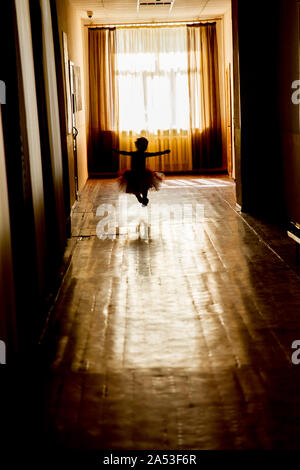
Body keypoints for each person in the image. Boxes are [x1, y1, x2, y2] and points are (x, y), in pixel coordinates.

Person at [113, 137, 170, 206]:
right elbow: (124, 153)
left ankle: (144, 197)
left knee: (145, 187)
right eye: (143, 146)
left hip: (143, 173)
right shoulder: (134, 153)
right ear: (138, 146)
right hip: (133, 174)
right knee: (134, 187)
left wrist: (164, 152)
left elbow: (155, 154)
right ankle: (139, 197)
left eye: (145, 146)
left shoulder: (144, 154)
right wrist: (116, 151)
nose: (144, 147)